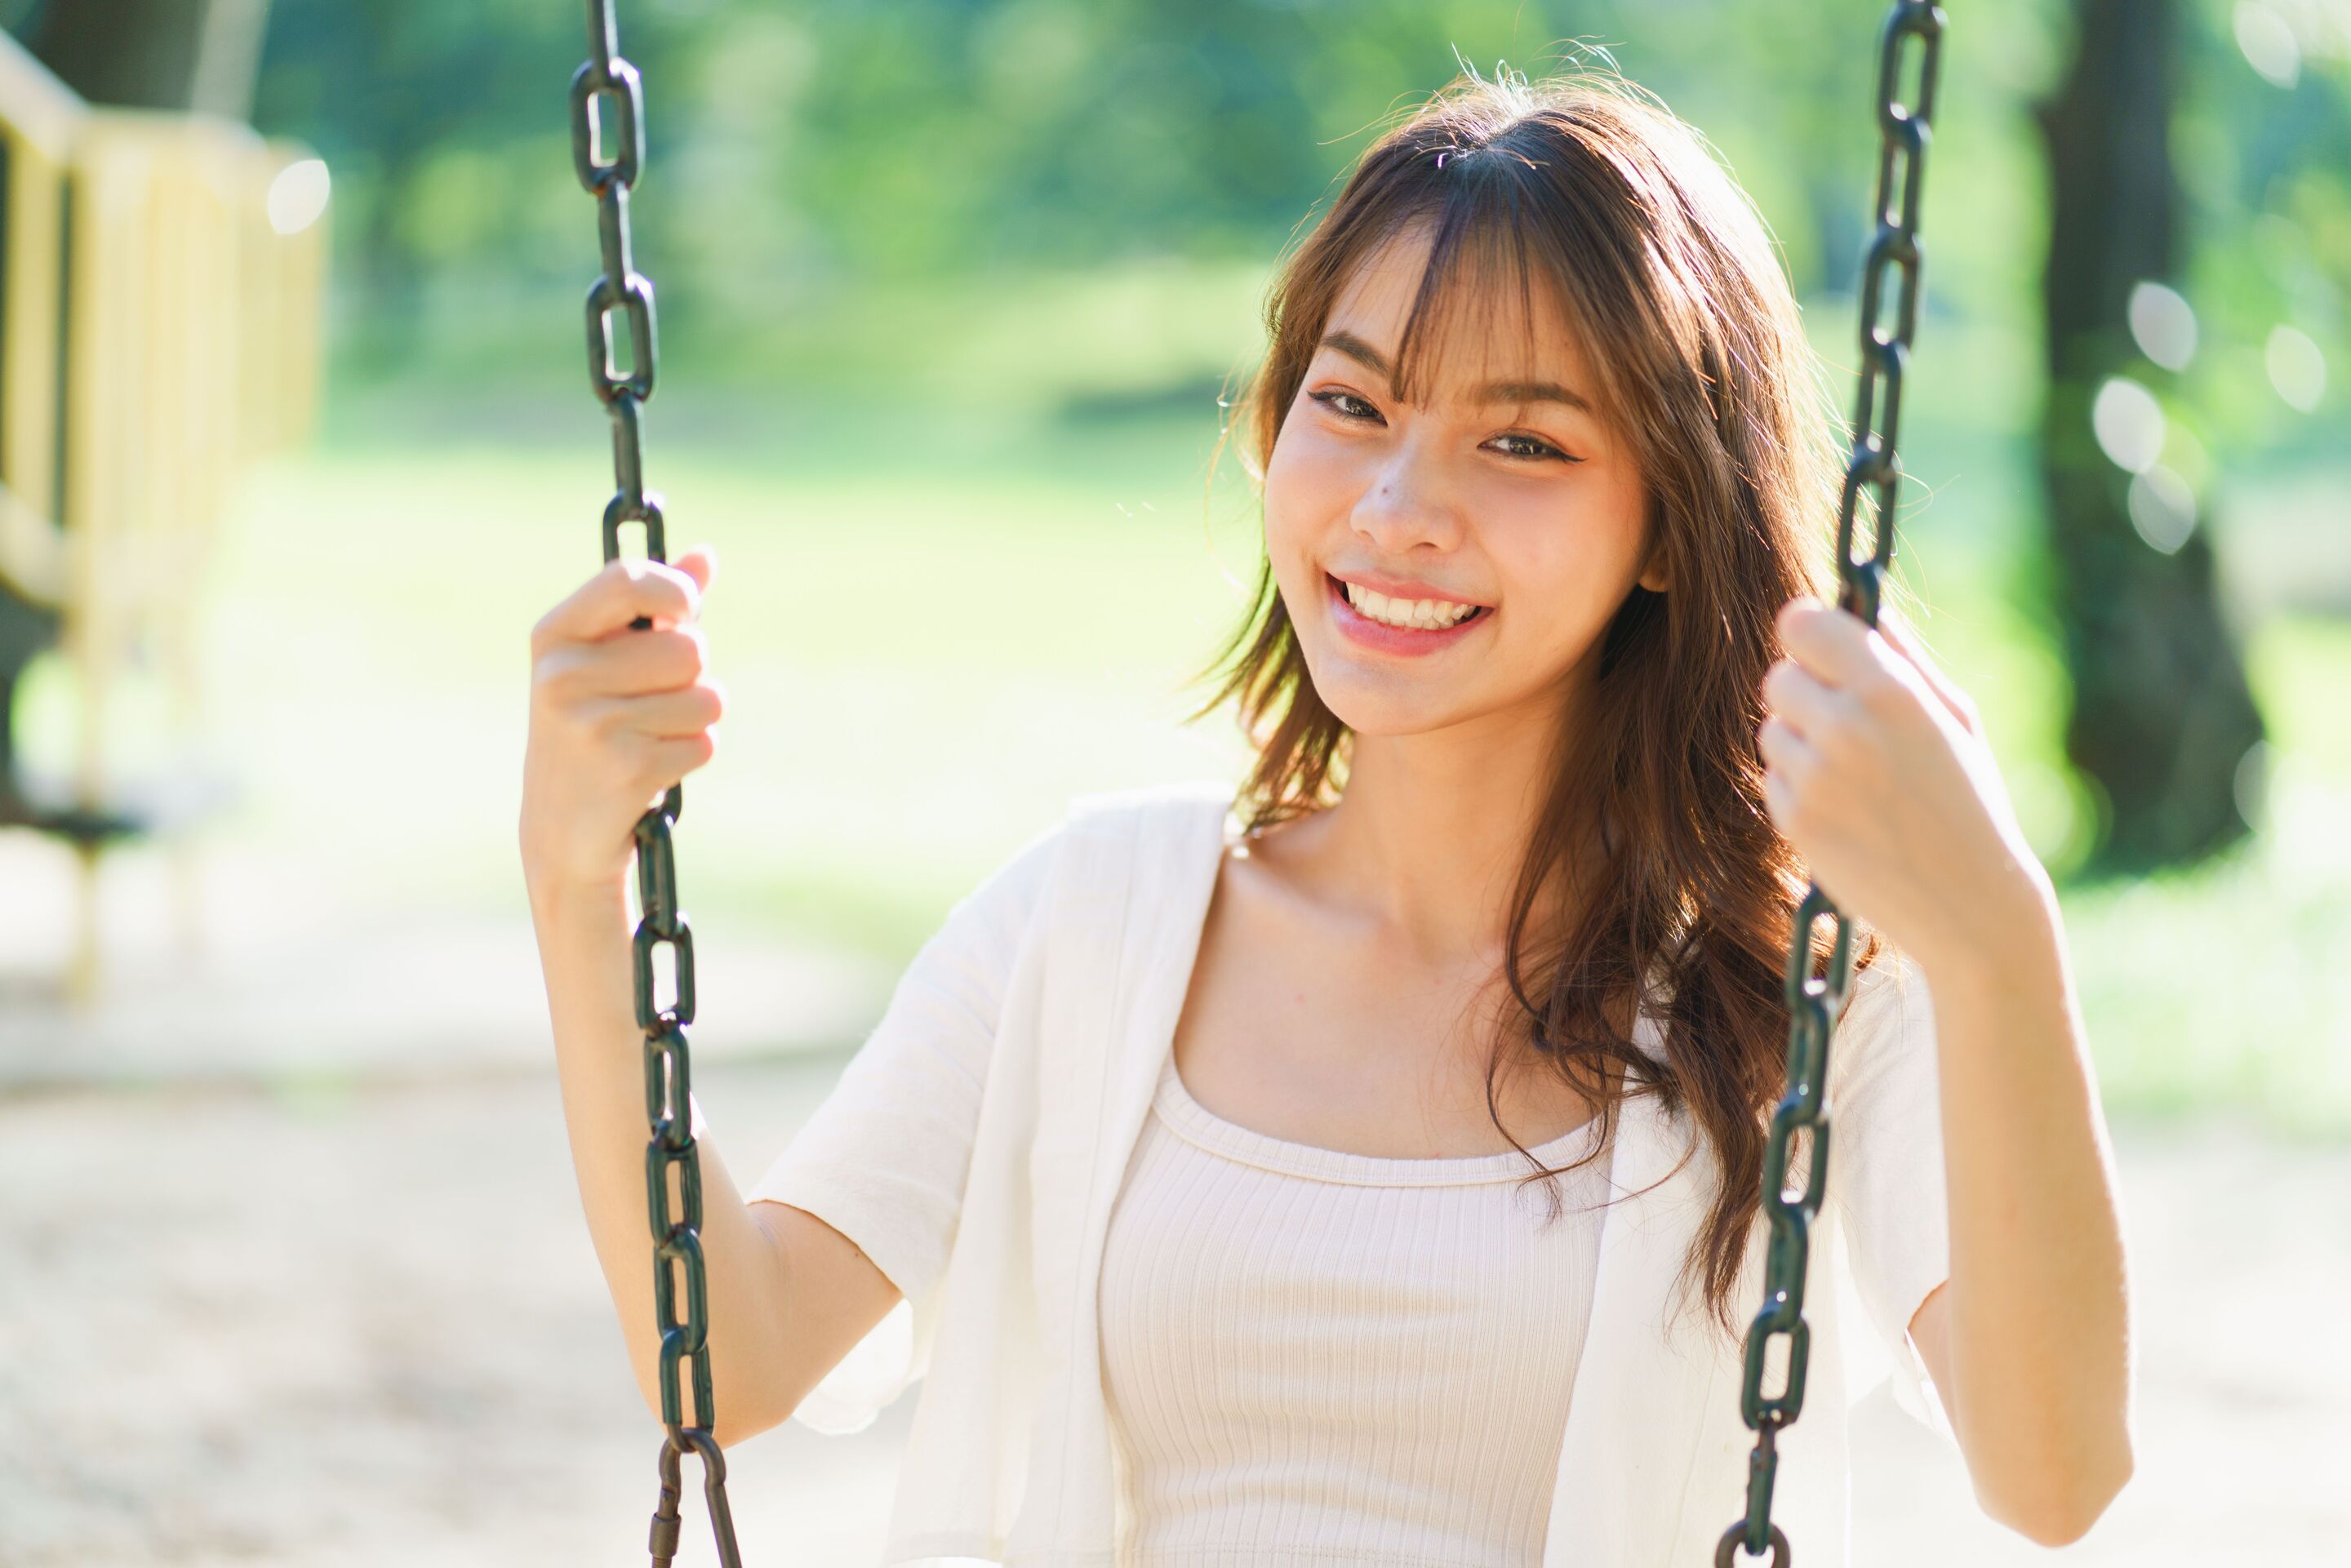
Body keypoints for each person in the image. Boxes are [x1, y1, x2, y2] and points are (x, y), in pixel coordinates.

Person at [519, 64, 2134, 1568]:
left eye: (1522, 441)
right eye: (1352, 406)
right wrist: (578, 881)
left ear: (1668, 523)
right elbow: (728, 1350)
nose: (1394, 511)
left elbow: (2054, 1475)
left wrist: (1996, 936)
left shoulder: (1805, 1000)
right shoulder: (1092, 922)